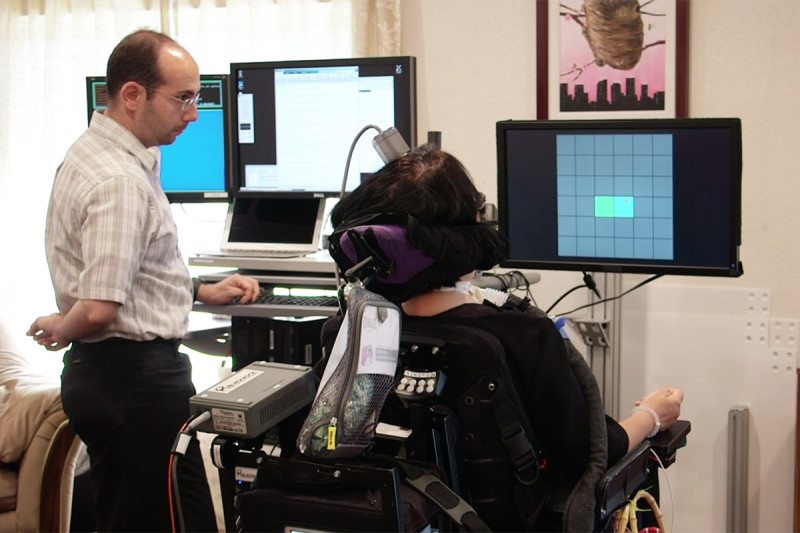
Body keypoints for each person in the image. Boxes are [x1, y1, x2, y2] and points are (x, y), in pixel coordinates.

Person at [329, 145, 684, 529]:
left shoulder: (347, 334)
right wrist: (651, 416)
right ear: (469, 231)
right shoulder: (523, 335)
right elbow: (589, 454)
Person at [27, 29, 260, 532]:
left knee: (177, 516)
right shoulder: (119, 179)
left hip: (119, 378)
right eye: (184, 98)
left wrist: (198, 291)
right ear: (133, 94)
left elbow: (127, 269)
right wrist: (62, 325)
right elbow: (99, 308)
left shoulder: (99, 152)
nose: (194, 114)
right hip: (132, 384)